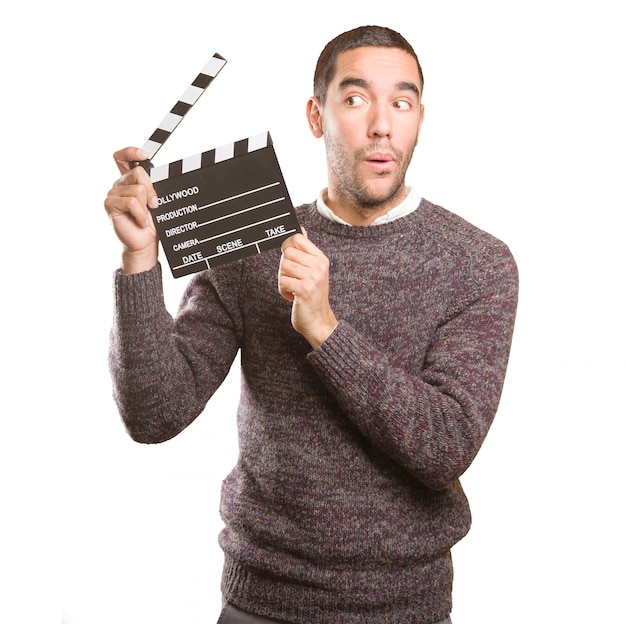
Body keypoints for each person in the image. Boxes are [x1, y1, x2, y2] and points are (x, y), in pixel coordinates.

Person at [104, 25, 518, 624]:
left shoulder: (477, 264)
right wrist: (140, 258)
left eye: (400, 102)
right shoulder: (250, 247)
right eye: (355, 99)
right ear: (316, 115)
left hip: (406, 608)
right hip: (260, 602)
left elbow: (443, 448)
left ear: (420, 118)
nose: (381, 124)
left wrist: (325, 328)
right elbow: (154, 414)